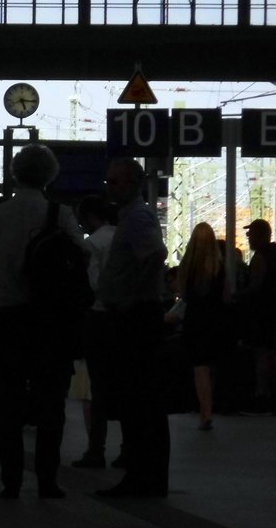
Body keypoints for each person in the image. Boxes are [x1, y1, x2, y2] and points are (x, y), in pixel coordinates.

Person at [0, 143, 85, 499]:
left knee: (9, 400)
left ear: (14, 172)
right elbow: (82, 256)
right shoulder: (59, 214)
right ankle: (47, 479)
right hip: (49, 320)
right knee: (51, 402)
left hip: (8, 317)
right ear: (50, 175)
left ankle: (10, 479)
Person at [96, 157, 170, 498]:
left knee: (140, 401)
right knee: (139, 401)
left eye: (116, 182)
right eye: (109, 182)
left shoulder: (138, 216)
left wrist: (130, 297)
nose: (110, 187)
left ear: (134, 184)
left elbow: (155, 255)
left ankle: (144, 477)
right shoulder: (131, 217)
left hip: (136, 319)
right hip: (135, 316)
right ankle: (143, 475)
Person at [71, 193, 119, 469]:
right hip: (127, 317)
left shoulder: (93, 244)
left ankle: (96, 449)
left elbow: (91, 283)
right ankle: (127, 448)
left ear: (90, 217)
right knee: (125, 383)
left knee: (95, 387)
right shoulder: (124, 237)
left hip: (99, 318)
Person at [174, 222, 229, 431]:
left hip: (195, 320)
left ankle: (205, 411)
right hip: (216, 319)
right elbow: (226, 294)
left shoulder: (188, 266)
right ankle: (214, 404)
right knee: (214, 364)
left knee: (200, 367)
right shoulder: (220, 266)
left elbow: (184, 294)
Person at [236, 219, 276, 413]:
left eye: (250, 234)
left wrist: (235, 295)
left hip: (262, 314)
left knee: (261, 355)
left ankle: (262, 396)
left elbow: (255, 288)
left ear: (260, 236)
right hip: (272, 313)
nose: (248, 237)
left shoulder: (260, 257)